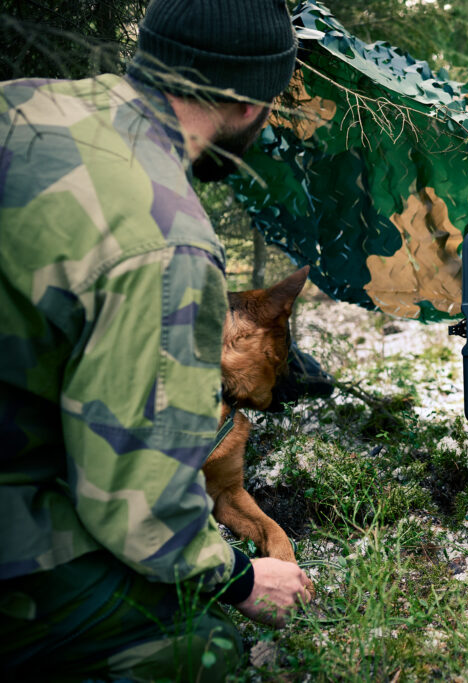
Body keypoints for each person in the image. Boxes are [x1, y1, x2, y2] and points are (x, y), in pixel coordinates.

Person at [0, 0, 312, 679]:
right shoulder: (166, 239)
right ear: (253, 102)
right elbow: (138, 508)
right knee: (196, 647)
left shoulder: (21, 103)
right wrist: (239, 578)